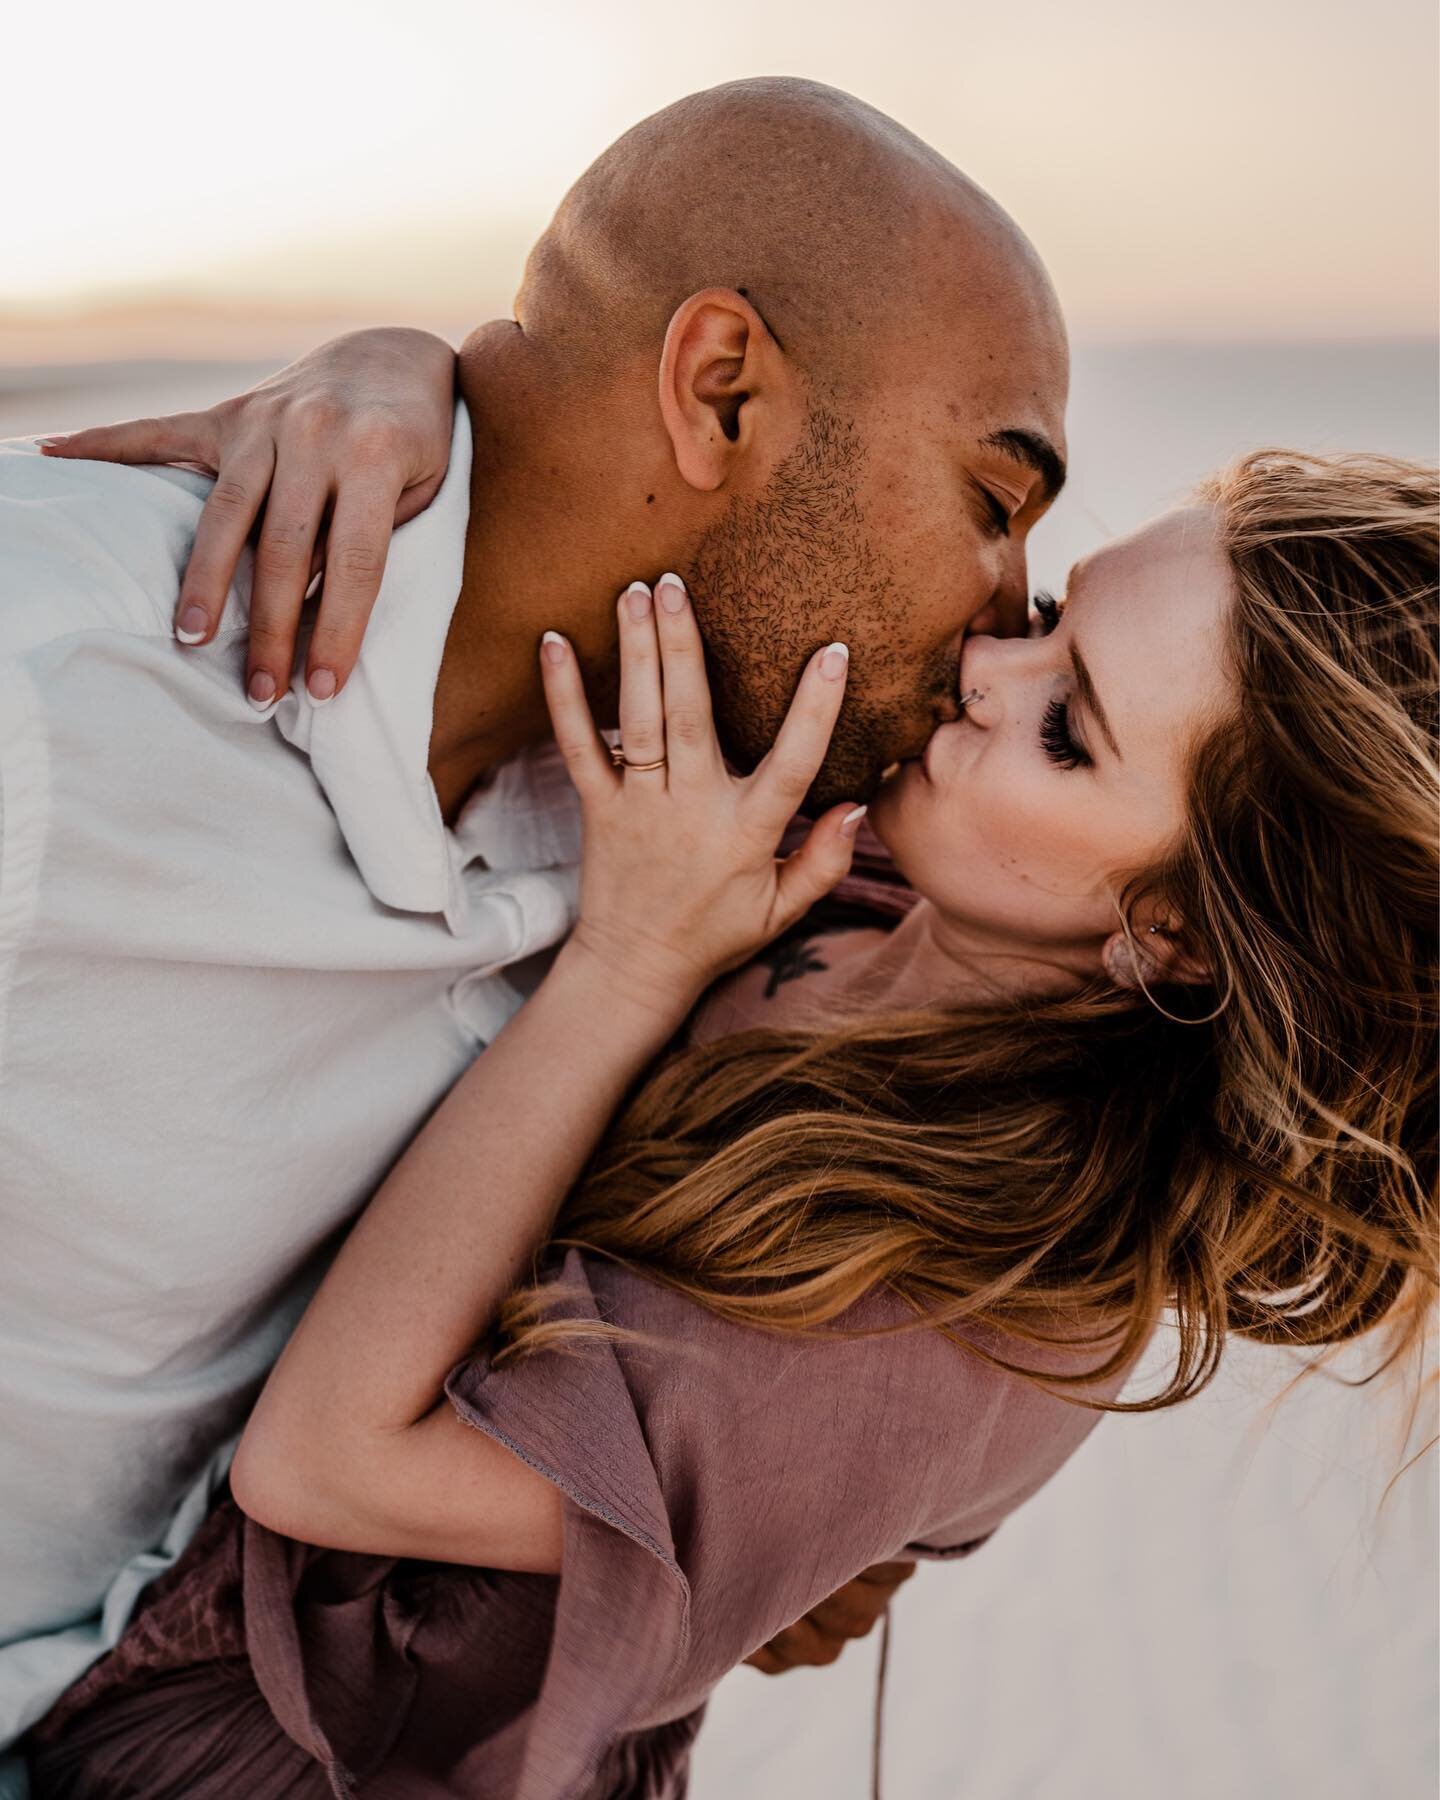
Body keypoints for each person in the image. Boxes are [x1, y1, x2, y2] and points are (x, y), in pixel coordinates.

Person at [26, 451, 1438, 1797]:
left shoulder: (969, 1304)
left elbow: (328, 1463)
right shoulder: (915, 873)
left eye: (1067, 728)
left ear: (1180, 936)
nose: (982, 666)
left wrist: (627, 970)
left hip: (253, 1749)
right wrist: (399, 385)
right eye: (1054, 616)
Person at [0, 77, 1067, 1763]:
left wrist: (761, 1538)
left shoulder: (727, 834)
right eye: (996, 503)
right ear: (720, 393)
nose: (1014, 623)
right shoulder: (51, 692)